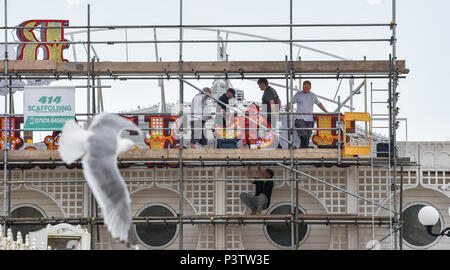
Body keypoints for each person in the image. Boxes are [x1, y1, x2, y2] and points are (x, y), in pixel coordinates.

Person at [285, 80, 328, 148]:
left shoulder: (313, 95)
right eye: (304, 87)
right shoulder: (298, 94)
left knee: (307, 136)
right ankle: (305, 149)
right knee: (303, 135)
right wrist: (288, 107)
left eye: (307, 87)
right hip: (300, 119)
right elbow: (292, 102)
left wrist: (326, 111)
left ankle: (303, 149)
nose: (305, 88)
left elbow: (319, 104)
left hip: (310, 119)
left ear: (310, 87)